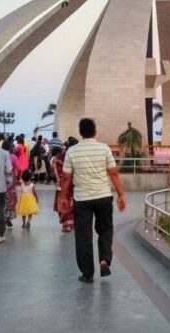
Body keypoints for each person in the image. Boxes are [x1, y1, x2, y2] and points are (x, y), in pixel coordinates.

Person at [60, 118, 125, 283]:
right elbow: (113, 173)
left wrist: (63, 198)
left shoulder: (72, 151)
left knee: (83, 236)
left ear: (80, 132)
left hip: (82, 199)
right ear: (95, 131)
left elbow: (66, 177)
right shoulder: (104, 149)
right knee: (105, 229)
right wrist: (121, 195)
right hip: (103, 196)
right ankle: (104, 260)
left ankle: (87, 273)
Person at [54, 137, 78, 232]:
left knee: (62, 202)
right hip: (74, 184)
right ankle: (73, 223)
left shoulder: (60, 157)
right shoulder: (77, 156)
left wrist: (58, 179)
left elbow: (55, 167)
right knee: (73, 202)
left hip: (62, 184)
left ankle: (66, 225)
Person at [3, 141, 18, 228]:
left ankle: (2, 217)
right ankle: (8, 218)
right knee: (11, 199)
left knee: (2, 200)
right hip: (10, 180)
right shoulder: (13, 157)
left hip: (0, 179)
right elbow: (18, 167)